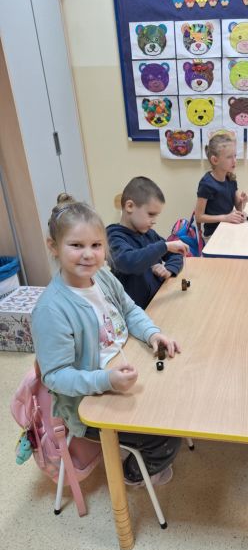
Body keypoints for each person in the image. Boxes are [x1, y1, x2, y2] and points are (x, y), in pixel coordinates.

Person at [32, 194, 182, 486]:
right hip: (88, 399)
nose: (89, 254)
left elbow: (129, 310)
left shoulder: (102, 277)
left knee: (177, 401)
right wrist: (107, 380)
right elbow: (56, 376)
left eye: (96, 245)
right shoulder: (51, 310)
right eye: (76, 245)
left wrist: (152, 333)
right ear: (53, 247)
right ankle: (132, 474)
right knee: (165, 436)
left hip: (125, 367)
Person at [107, 176, 189, 310]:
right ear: (130, 206)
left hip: (157, 302)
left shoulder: (149, 234)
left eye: (156, 215)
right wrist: (165, 246)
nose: (154, 220)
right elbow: (130, 262)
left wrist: (169, 269)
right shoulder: (113, 236)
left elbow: (176, 254)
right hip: (135, 312)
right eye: (151, 214)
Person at [195, 133, 248, 239]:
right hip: (213, 236)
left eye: (235, 156)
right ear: (215, 160)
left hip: (228, 228)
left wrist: (243, 201)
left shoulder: (231, 179)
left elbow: (238, 207)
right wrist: (225, 218)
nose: (234, 161)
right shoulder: (206, 184)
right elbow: (199, 217)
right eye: (229, 157)